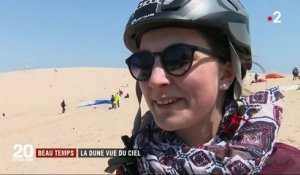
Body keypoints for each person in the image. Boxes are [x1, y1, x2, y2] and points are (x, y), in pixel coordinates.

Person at [105, 0, 285, 174]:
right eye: (143, 63)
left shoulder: (286, 168)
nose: (154, 79)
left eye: (179, 59)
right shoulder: (132, 164)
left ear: (227, 73)